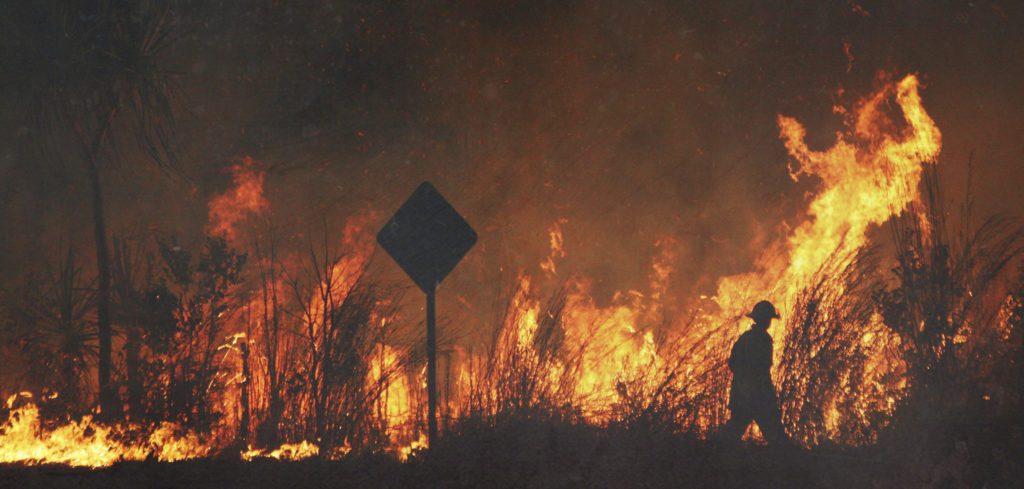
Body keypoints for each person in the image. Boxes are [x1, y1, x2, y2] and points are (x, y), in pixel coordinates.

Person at [721, 300, 788, 444]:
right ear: (766, 320)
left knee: (733, 430)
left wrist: (742, 382)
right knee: (775, 434)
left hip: (741, 392)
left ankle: (712, 454)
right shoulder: (763, 340)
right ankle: (786, 461)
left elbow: (732, 363)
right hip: (758, 395)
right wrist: (766, 394)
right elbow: (763, 369)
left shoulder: (744, 338)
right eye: (769, 318)